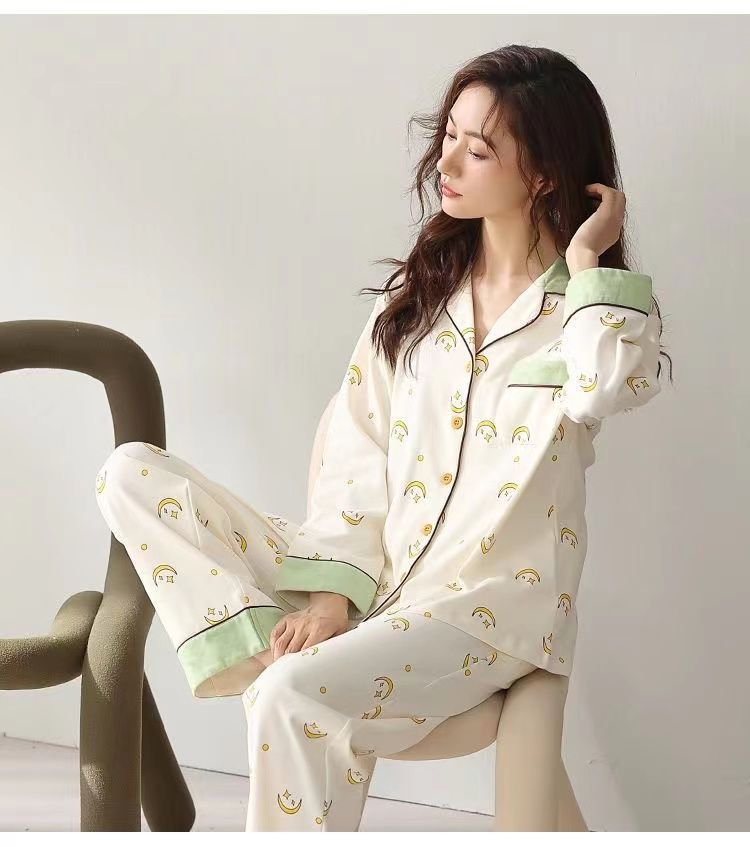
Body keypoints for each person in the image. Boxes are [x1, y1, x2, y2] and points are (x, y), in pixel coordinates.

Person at [94, 44, 671, 832]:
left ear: (542, 175)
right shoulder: (417, 299)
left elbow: (608, 386)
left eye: (478, 149)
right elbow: (356, 455)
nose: (448, 162)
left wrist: (584, 258)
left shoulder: (595, 311)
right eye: (448, 135)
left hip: (486, 610)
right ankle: (267, 649)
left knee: (288, 694)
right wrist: (332, 597)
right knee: (131, 472)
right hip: (377, 576)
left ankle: (284, 675)